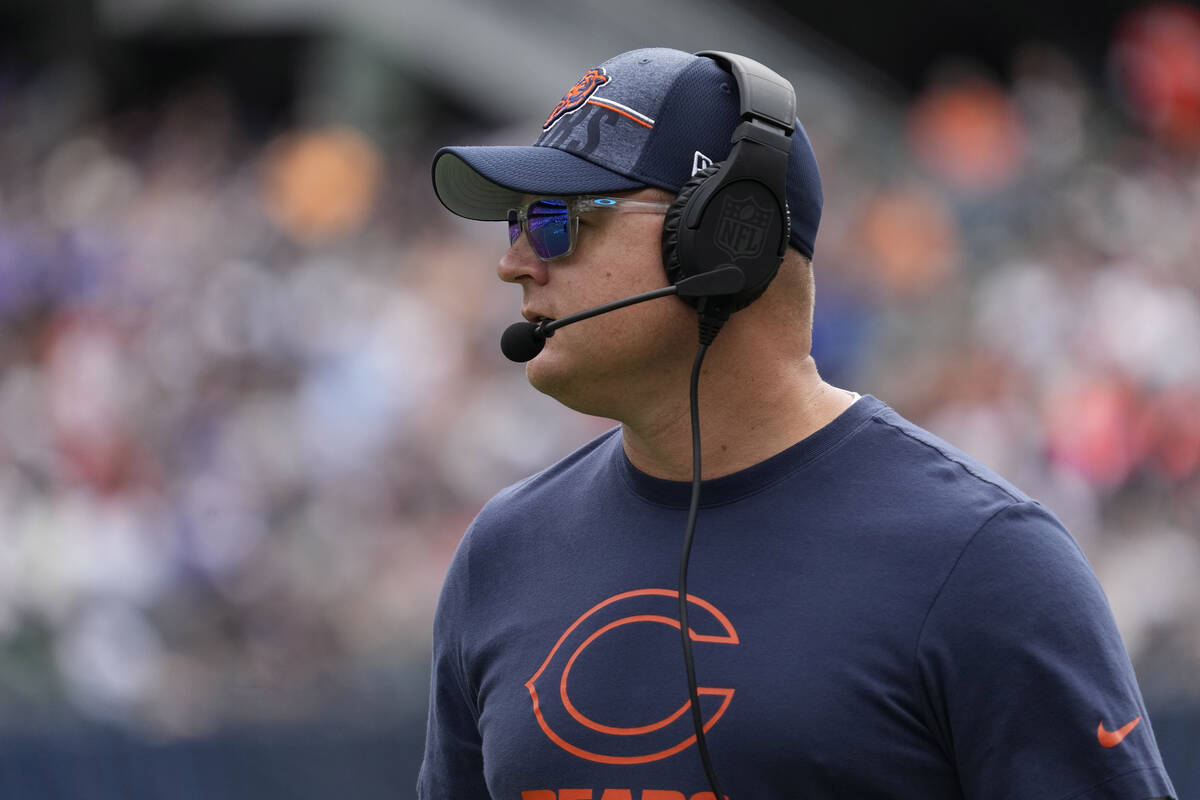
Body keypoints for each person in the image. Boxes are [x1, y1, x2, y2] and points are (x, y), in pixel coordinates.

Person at [418, 47, 1176, 800]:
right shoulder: (501, 554)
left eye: (556, 222)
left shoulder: (985, 562)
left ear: (722, 235)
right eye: (516, 223)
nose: (514, 262)